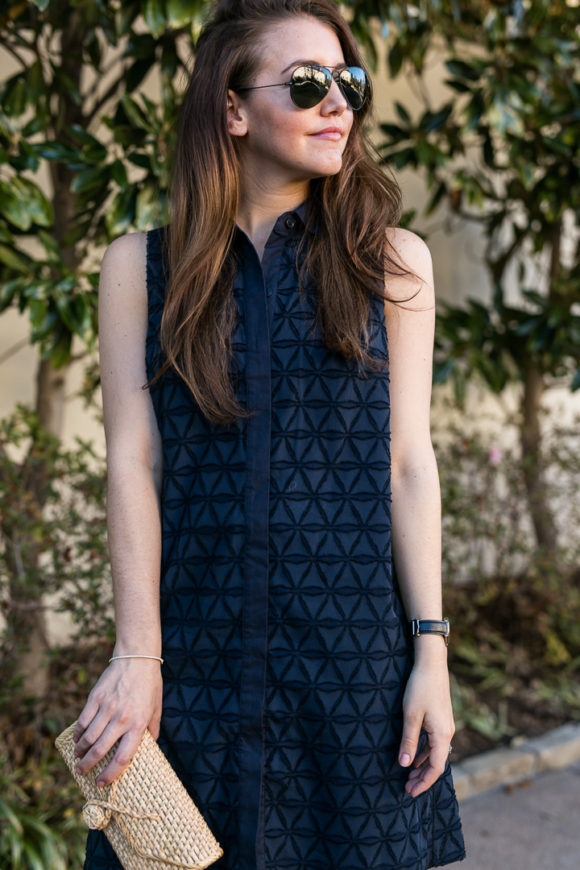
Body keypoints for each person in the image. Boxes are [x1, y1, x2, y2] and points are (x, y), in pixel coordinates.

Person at [74, 1, 466, 867]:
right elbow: (134, 461)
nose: (339, 103)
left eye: (348, 83)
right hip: (197, 670)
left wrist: (430, 653)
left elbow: (408, 463)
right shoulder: (141, 267)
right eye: (307, 83)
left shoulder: (393, 262)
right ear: (233, 109)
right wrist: (139, 653)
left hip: (354, 674)